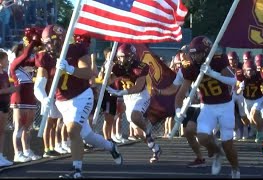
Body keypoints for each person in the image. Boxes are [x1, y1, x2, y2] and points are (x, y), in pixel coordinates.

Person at [34, 25, 122, 178]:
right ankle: (110, 146)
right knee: (87, 136)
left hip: (82, 96)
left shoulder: (75, 49)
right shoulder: (44, 57)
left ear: (62, 39)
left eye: (53, 41)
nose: (50, 46)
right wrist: (43, 98)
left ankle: (77, 171)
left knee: (73, 131)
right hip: (62, 102)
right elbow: (39, 85)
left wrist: (70, 68)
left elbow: (89, 72)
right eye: (47, 42)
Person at [175, 36, 240, 178]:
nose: (195, 56)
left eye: (198, 53)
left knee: (228, 145)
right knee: (203, 137)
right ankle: (217, 153)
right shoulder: (190, 66)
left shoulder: (218, 60)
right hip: (207, 106)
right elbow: (179, 93)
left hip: (225, 105)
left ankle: (235, 168)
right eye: (193, 53)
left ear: (206, 51)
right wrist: (178, 111)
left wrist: (213, 73)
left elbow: (233, 81)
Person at [106, 43, 162, 163]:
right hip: (128, 97)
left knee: (135, 116)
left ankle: (147, 132)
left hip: (140, 95)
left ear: (131, 56)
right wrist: (107, 70)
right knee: (137, 132)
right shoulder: (117, 67)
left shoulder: (141, 66)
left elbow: (138, 87)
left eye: (124, 57)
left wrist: (120, 93)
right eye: (120, 57)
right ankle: (155, 148)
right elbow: (107, 81)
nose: (121, 59)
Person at [152, 49, 205, 168]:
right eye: (180, 61)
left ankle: (214, 147)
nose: (183, 63)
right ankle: (200, 157)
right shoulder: (183, 71)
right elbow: (175, 89)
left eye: (184, 59)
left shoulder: (205, 65)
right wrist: (159, 91)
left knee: (200, 133)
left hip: (207, 103)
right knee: (188, 132)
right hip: (189, 103)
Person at [9, 28, 42, 162]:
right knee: (18, 127)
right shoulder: (15, 64)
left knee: (28, 127)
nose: (29, 53)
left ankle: (27, 150)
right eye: (25, 50)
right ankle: (18, 153)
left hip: (30, 98)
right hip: (19, 98)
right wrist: (33, 41)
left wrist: (42, 46)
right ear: (19, 52)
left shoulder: (29, 63)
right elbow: (26, 54)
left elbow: (39, 59)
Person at [0, 51, 16, 167]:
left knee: (2, 132)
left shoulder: (5, 74)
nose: (7, 62)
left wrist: (12, 88)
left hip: (5, 105)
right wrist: (10, 90)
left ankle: (0, 155)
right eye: (5, 60)